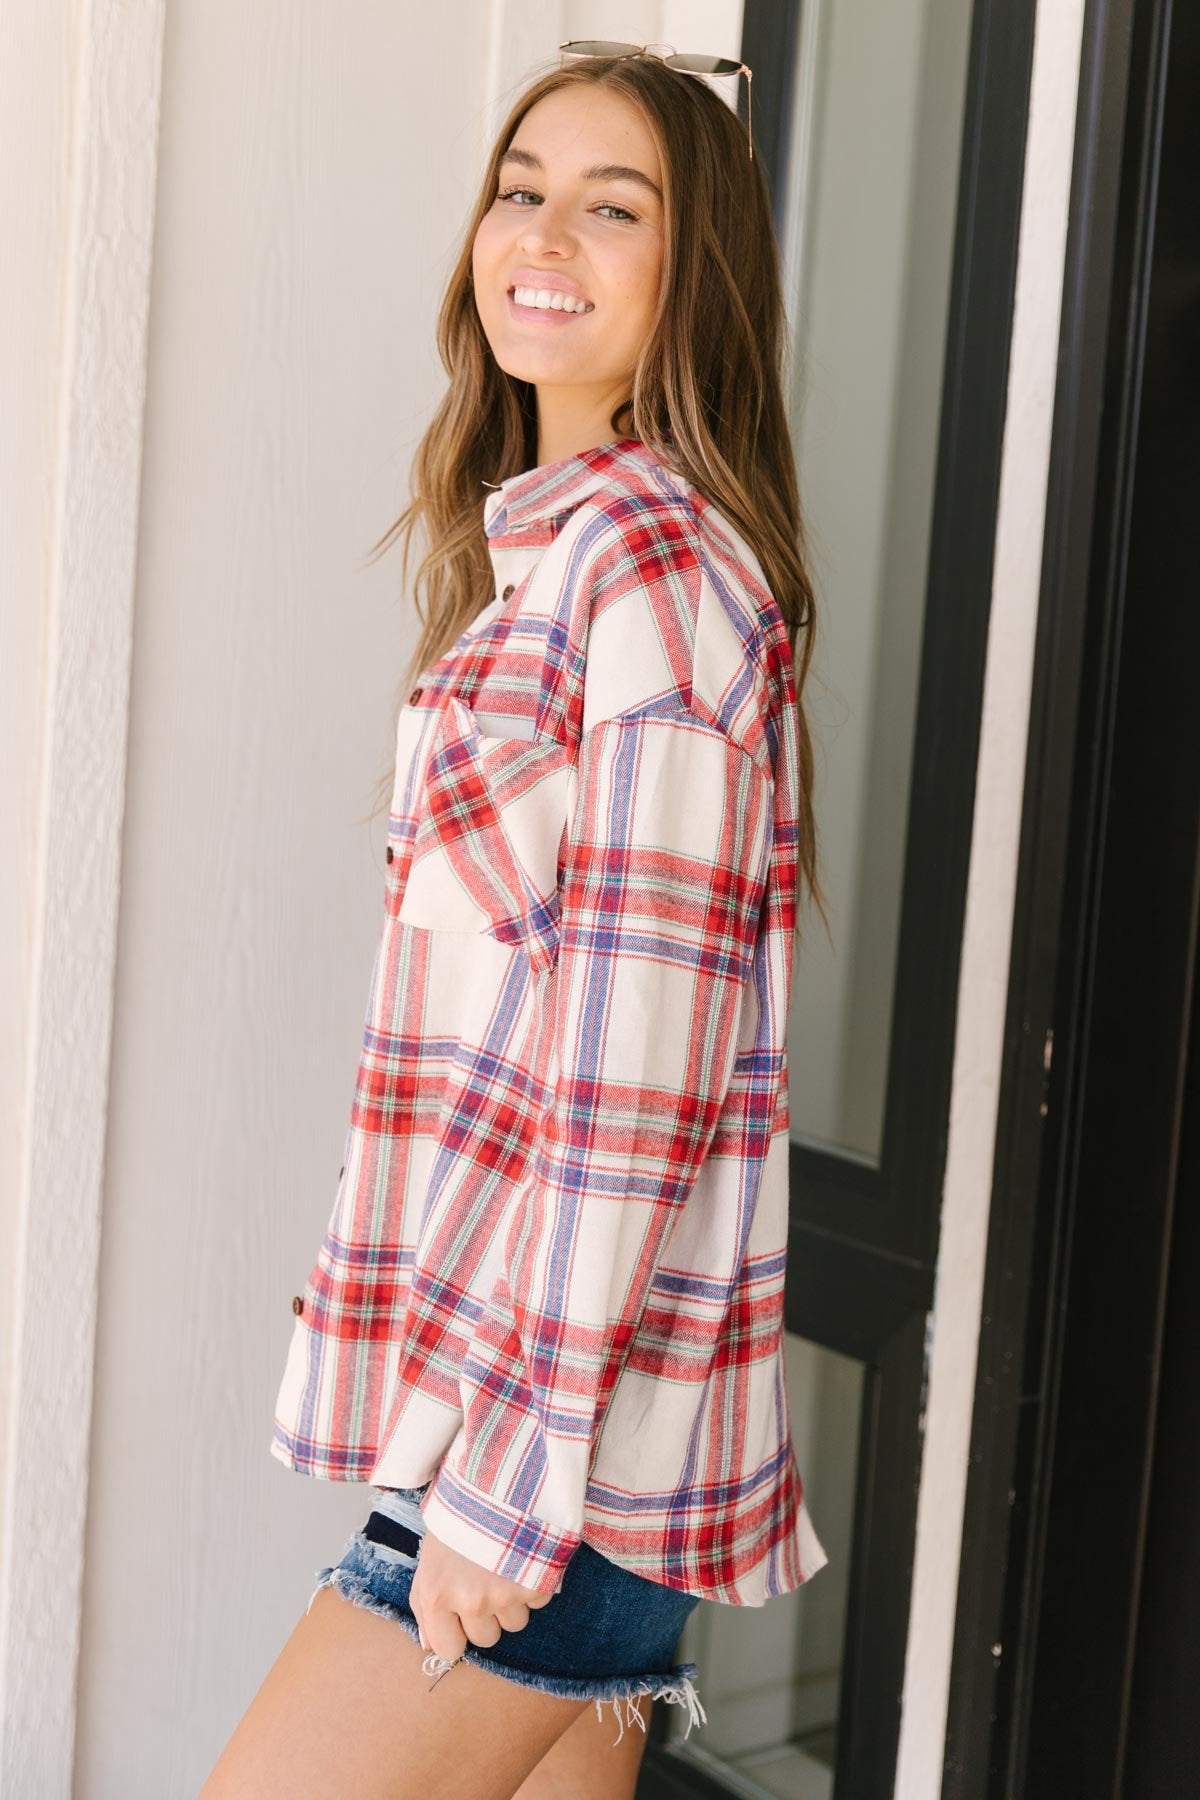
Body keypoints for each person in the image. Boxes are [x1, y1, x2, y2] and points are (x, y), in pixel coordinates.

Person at [201, 41, 830, 1800]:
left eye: (611, 205)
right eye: (519, 186)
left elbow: (636, 1080)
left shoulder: (647, 566)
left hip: (545, 1458)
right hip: (549, 1429)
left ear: (687, 273)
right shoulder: (567, 552)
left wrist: (508, 1480)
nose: (540, 232)